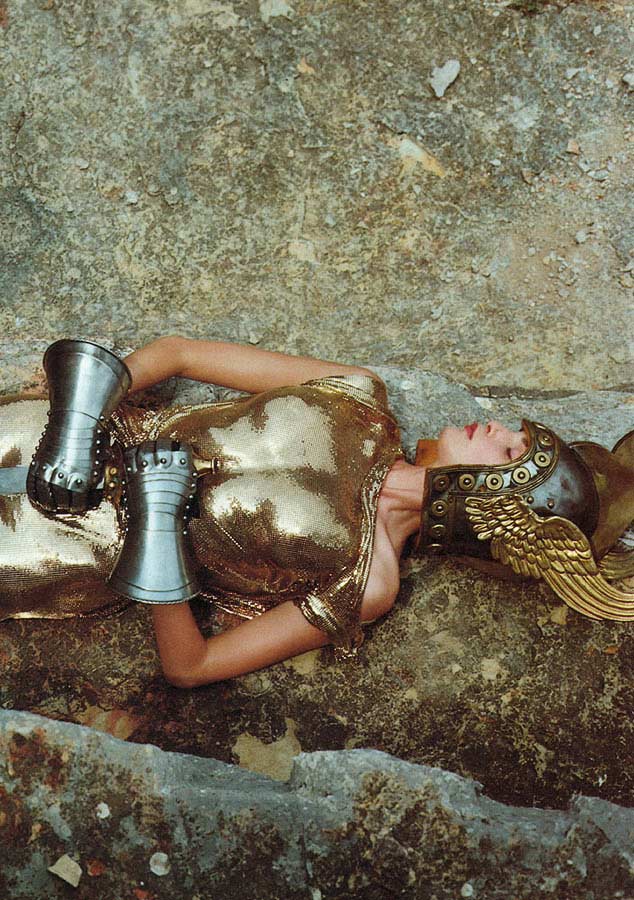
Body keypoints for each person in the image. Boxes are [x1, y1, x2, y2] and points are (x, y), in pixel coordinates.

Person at [2, 336, 634, 688]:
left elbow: (192, 666)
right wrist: (80, 417)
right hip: (59, 431)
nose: (497, 427)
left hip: (67, 548)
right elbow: (179, 353)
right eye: (516, 431)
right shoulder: (358, 395)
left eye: (512, 450)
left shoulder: (370, 580)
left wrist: (157, 523)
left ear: (499, 501)